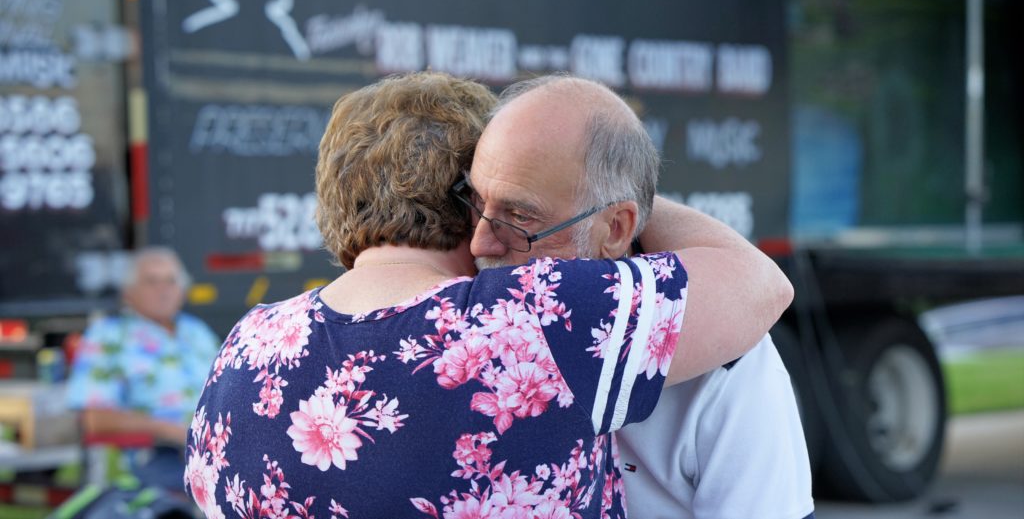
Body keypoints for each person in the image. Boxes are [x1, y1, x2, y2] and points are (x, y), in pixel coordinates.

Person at [184, 72, 791, 518]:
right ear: (456, 204)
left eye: (516, 213)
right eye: (477, 201)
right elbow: (759, 283)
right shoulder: (530, 319)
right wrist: (612, 202)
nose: (485, 238)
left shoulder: (244, 348)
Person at [465, 74, 814, 519]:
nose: (478, 244)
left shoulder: (727, 360)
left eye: (520, 216)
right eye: (474, 201)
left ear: (616, 230)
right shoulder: (456, 305)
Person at [66, 246, 221, 491]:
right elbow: (94, 419)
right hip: (157, 455)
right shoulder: (108, 336)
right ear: (128, 292)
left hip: (218, 449)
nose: (163, 291)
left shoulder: (197, 332)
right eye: (151, 282)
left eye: (171, 281)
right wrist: (171, 431)